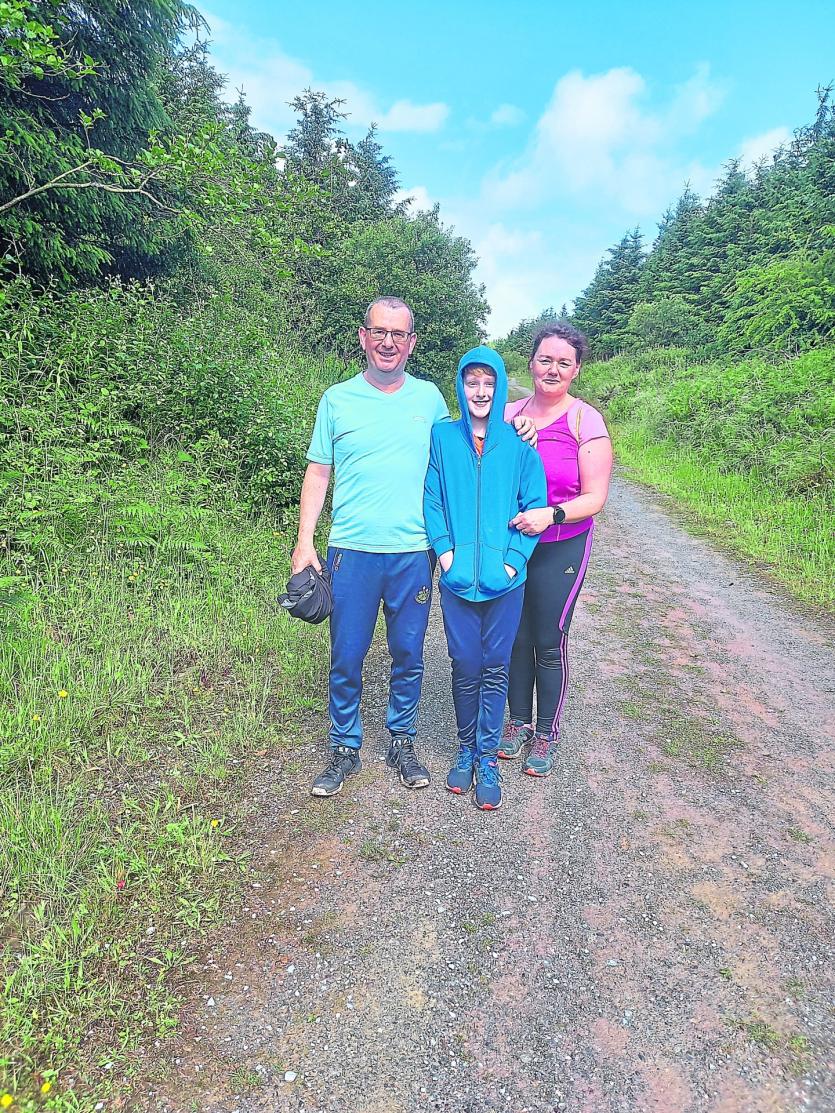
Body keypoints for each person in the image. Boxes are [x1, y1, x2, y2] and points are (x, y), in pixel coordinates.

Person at [294, 297, 537, 798]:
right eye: (379, 332)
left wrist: (521, 421)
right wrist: (304, 542)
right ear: (363, 337)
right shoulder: (336, 400)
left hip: (413, 554)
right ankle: (344, 747)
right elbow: (319, 471)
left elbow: (472, 428)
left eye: (398, 335)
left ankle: (402, 741)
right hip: (351, 550)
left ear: (411, 343)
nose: (388, 342)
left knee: (408, 655)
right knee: (347, 654)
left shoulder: (429, 400)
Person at [423, 347, 546, 810]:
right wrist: (447, 554)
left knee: (495, 668)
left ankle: (488, 760)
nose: (480, 391)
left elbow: (534, 505)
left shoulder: (518, 446)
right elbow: (432, 500)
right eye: (471, 382)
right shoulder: (442, 438)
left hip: (504, 584)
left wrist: (513, 562)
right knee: (465, 665)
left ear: (498, 388)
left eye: (488, 383)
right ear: (461, 386)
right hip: (457, 582)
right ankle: (464, 749)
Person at [500, 323, 613, 777]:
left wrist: (553, 514)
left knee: (548, 640)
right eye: (545, 359)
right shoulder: (508, 414)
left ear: (576, 370)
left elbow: (595, 497)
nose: (552, 368)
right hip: (512, 545)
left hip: (560, 545)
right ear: (531, 363)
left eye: (563, 362)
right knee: (514, 636)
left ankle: (546, 731)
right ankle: (517, 722)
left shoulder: (585, 420)